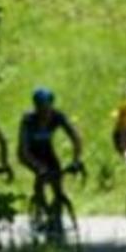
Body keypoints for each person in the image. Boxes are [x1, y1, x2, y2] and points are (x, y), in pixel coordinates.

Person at [18, 87, 83, 224]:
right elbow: (24, 149)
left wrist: (76, 160)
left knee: (57, 183)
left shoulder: (57, 116)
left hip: (46, 151)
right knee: (41, 177)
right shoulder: (28, 120)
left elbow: (75, 138)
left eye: (47, 108)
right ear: (36, 107)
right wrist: (38, 167)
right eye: (40, 108)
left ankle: (56, 218)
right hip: (29, 153)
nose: (44, 112)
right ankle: (41, 208)